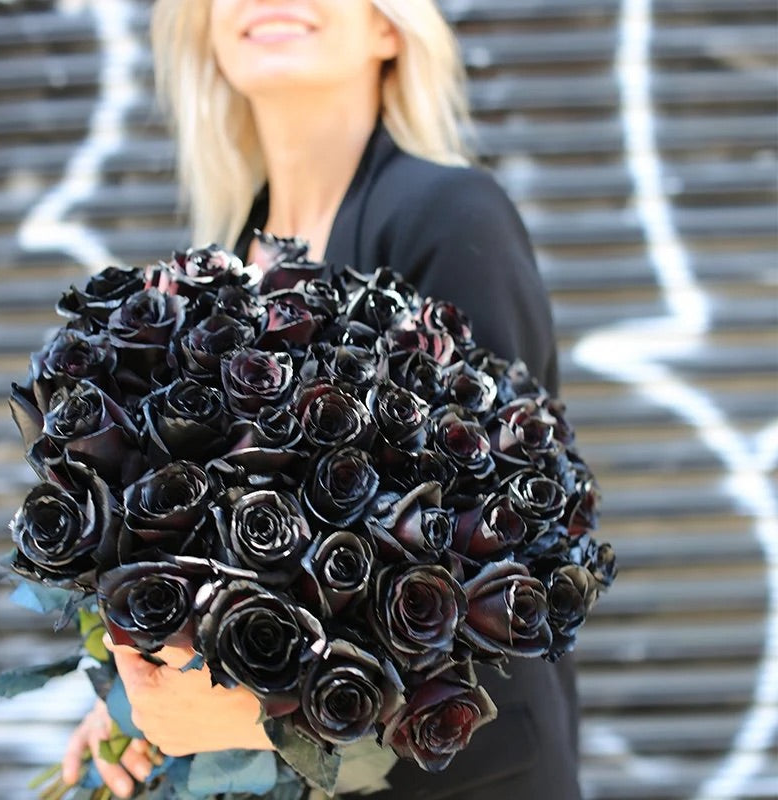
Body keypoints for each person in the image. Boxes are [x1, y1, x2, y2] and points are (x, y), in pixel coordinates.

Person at [61, 1, 580, 798]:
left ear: (387, 26)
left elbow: (521, 579)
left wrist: (251, 716)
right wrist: (135, 703)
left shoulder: (450, 218)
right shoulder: (231, 253)